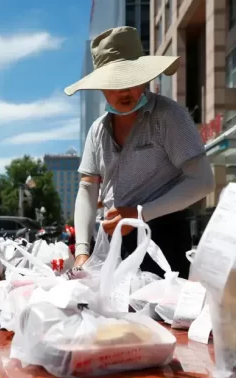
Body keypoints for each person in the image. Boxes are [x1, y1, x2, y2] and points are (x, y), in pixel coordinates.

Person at [65, 26, 215, 278]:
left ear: (144, 78)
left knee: (158, 314)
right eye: (114, 83)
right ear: (100, 87)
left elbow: (203, 181)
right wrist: (82, 250)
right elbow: (88, 187)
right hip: (112, 240)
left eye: (131, 80)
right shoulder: (97, 130)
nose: (125, 91)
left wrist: (139, 213)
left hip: (163, 237)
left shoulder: (169, 116)